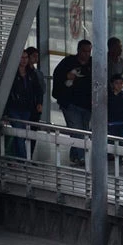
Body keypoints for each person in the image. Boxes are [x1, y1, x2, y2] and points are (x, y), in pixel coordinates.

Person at [52, 39, 92, 167]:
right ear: (78, 50)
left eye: (89, 51)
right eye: (84, 51)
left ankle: (75, 154)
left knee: (84, 130)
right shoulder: (68, 63)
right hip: (70, 104)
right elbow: (58, 76)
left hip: (87, 105)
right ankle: (81, 157)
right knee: (76, 130)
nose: (87, 54)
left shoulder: (92, 64)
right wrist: (66, 77)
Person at [4, 51, 42, 158]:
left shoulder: (31, 73)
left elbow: (38, 90)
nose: (24, 60)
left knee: (21, 134)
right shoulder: (12, 73)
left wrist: (39, 103)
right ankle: (23, 159)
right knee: (19, 132)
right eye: (21, 57)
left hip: (27, 108)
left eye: (26, 57)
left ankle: (17, 157)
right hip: (14, 108)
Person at [106, 74, 123, 167]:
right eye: (117, 83)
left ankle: (120, 157)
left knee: (121, 141)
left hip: (121, 122)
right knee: (110, 140)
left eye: (121, 83)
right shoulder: (108, 96)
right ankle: (109, 154)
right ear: (112, 84)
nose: (119, 86)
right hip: (111, 122)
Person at [24, 46, 45, 153]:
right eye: (33, 56)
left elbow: (41, 90)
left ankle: (29, 154)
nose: (36, 58)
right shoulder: (27, 73)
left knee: (32, 132)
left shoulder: (36, 73)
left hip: (35, 107)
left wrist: (39, 103)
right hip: (28, 106)